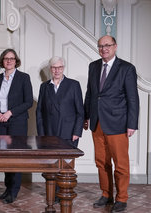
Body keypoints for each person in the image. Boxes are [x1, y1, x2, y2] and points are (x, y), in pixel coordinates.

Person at [84, 35, 139, 212]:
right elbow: (90, 94)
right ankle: (106, 194)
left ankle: (121, 198)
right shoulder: (93, 66)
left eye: (107, 45)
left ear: (115, 46)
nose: (103, 49)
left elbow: (133, 98)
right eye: (100, 46)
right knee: (101, 162)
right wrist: (86, 116)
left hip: (118, 123)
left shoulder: (126, 68)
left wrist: (132, 124)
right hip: (97, 122)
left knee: (120, 163)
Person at [36, 56, 84, 203]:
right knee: (51, 166)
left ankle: (65, 194)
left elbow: (80, 112)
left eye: (59, 67)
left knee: (66, 167)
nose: (57, 70)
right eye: (54, 67)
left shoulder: (73, 85)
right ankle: (53, 194)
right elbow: (39, 112)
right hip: (49, 133)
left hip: (68, 133)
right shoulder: (45, 86)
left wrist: (77, 132)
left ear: (63, 68)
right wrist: (42, 134)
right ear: (50, 69)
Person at [0, 49, 33, 204]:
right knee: (5, 157)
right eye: (6, 59)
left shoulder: (23, 78)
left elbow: (28, 102)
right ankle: (7, 188)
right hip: (0, 122)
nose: (9, 61)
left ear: (16, 61)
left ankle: (14, 191)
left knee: (16, 156)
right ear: (2, 61)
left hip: (17, 122)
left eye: (12, 58)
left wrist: (10, 112)